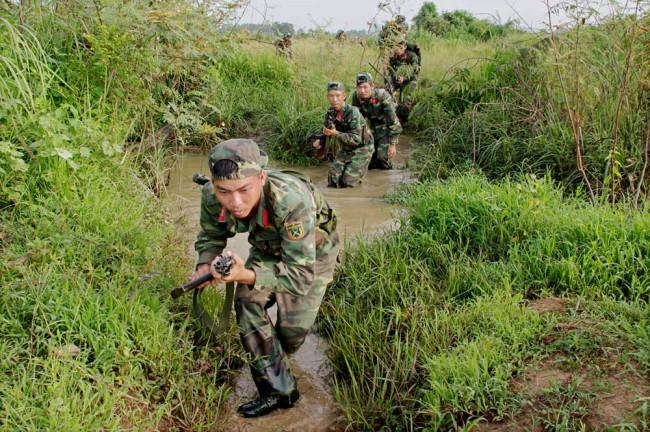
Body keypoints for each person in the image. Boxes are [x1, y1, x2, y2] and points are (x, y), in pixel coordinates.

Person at [191, 139, 340, 418]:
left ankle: (277, 357)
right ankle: (280, 393)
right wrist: (203, 264)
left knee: (290, 338)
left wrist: (244, 274)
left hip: (312, 255)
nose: (235, 202)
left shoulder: (290, 200)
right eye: (224, 191)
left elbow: (300, 277)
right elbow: (211, 235)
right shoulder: (212, 194)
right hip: (268, 246)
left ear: (261, 177)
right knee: (246, 300)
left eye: (244, 190)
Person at [313, 81, 374, 188]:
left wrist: (336, 134)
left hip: (362, 148)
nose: (334, 99)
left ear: (344, 96)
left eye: (338, 95)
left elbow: (356, 140)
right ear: (327, 97)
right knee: (333, 180)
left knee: (349, 182)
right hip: (346, 147)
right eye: (331, 96)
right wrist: (320, 140)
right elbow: (326, 129)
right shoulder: (330, 112)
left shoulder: (352, 113)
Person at [350, 72, 402, 170]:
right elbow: (356, 119)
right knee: (370, 161)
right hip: (371, 128)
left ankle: (387, 175)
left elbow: (393, 121)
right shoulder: (356, 97)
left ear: (371, 86)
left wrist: (392, 144)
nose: (362, 91)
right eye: (360, 87)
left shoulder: (382, 96)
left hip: (385, 127)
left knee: (382, 158)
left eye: (365, 87)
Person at [388, 39, 420, 127]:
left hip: (410, 79)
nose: (398, 50)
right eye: (396, 48)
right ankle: (390, 116)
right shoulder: (392, 56)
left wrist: (404, 78)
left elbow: (414, 72)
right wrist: (392, 78)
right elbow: (389, 69)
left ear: (405, 47)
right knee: (386, 91)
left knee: (405, 99)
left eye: (400, 48)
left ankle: (405, 120)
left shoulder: (412, 56)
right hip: (396, 78)